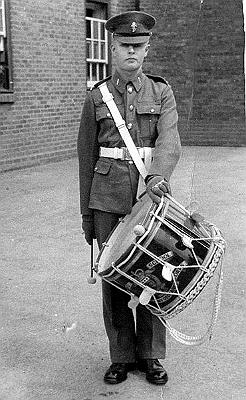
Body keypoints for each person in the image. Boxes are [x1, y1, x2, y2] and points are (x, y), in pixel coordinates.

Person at [77, 11, 181, 385]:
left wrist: (157, 178)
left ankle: (150, 355)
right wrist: (87, 218)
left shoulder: (161, 91)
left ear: (147, 48)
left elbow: (169, 141)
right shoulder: (97, 97)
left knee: (155, 271)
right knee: (113, 278)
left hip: (149, 197)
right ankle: (121, 354)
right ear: (113, 48)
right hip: (106, 198)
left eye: (138, 46)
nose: (131, 52)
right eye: (124, 46)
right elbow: (86, 157)